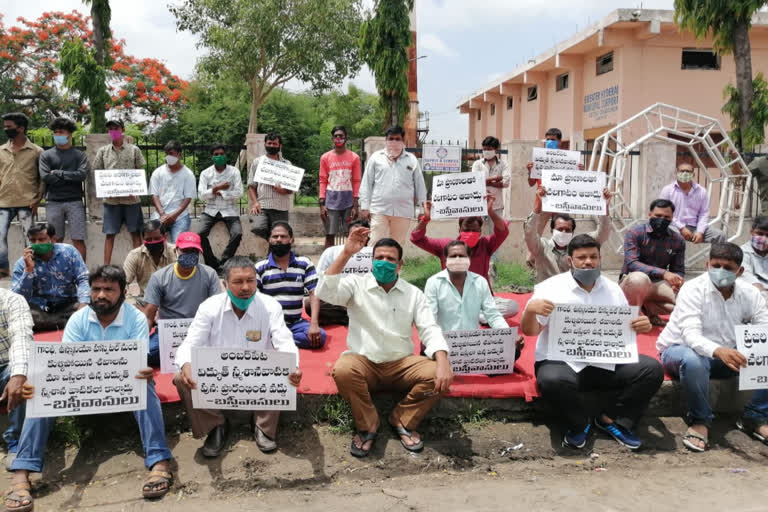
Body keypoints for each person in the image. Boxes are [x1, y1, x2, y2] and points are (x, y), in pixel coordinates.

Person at [5, 266, 174, 512]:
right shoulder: (78, 319)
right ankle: (22, 474)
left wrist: (144, 371)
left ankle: (159, 462)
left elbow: (136, 362)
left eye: (108, 289)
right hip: (81, 395)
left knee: (144, 385)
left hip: (122, 391)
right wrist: (46, 382)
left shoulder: (136, 318)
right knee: (41, 392)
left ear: (123, 292)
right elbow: (66, 367)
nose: (101, 295)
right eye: (96, 289)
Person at [316, 228, 453, 457]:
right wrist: (346, 254)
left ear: (400, 265)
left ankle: (402, 418)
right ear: (371, 262)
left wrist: (442, 360)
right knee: (343, 369)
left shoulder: (413, 294)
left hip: (401, 366)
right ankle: (368, 426)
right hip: (364, 363)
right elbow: (325, 291)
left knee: (439, 374)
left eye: (390, 259)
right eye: (379, 258)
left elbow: (429, 329)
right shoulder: (355, 285)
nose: (384, 263)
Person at [521, 234, 662, 450]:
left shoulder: (613, 289)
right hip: (562, 361)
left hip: (603, 360)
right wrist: (530, 311)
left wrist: (642, 326)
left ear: (600, 259)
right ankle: (579, 424)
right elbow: (530, 331)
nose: (588, 262)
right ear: (570, 261)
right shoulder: (550, 288)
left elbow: (623, 330)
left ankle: (613, 420)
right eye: (582, 257)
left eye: (593, 257)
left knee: (651, 370)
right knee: (551, 380)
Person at [174, 256, 302, 456]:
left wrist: (293, 365)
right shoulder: (209, 307)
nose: (245, 288)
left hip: (257, 375)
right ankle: (216, 426)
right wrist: (185, 365)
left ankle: (263, 427)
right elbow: (190, 343)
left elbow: (284, 340)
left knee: (285, 363)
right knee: (180, 377)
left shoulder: (270, 306)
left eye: (250, 281)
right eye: (238, 282)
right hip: (219, 376)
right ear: (225, 284)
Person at [657, 243, 768, 452]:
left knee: (765, 349)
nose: (721, 272)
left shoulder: (750, 294)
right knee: (694, 360)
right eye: (716, 265)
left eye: (728, 267)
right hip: (679, 350)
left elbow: (764, 328)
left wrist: (747, 350)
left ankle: (756, 416)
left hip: (725, 355)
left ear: (740, 271)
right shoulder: (693, 289)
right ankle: (700, 421)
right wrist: (719, 351)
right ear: (707, 264)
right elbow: (691, 336)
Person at [410, 195, 518, 319]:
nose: (470, 233)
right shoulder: (446, 245)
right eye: (467, 229)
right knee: (428, 307)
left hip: (481, 301)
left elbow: (502, 231)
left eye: (474, 230)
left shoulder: (485, 244)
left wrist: (490, 212)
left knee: (512, 306)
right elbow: (416, 238)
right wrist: (426, 219)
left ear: (480, 231)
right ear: (459, 229)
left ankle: (475, 316)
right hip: (452, 301)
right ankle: (476, 316)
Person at [424, 240, 524, 359]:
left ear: (469, 259)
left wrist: (509, 336)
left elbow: (492, 315)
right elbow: (430, 319)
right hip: (445, 344)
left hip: (473, 344)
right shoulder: (434, 283)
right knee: (427, 354)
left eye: (461, 256)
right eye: (453, 256)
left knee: (513, 351)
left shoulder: (480, 281)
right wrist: (436, 345)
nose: (457, 259)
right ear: (445, 260)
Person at [143, 232, 221, 367]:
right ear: (176, 250)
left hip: (200, 331)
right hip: (168, 334)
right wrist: (140, 345)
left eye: (194, 251)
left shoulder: (210, 274)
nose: (190, 254)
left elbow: (217, 311)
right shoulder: (159, 277)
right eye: (185, 250)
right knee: (145, 355)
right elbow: (149, 316)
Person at [255, 222, 326, 349]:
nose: (279, 240)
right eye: (275, 237)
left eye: (283, 236)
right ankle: (279, 340)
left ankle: (275, 342)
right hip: (270, 324)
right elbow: (254, 299)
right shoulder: (260, 267)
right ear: (269, 240)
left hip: (296, 324)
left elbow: (314, 293)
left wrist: (314, 324)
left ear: (291, 240)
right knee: (252, 336)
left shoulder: (304, 263)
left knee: (320, 336)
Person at [525, 186, 613, 283]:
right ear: (552, 230)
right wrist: (537, 208)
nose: (563, 232)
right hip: (548, 294)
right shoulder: (541, 247)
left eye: (567, 230)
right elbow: (530, 233)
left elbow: (603, 234)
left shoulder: (579, 245)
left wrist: (605, 208)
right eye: (560, 229)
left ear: (572, 232)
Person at [11, 223, 89, 331]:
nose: (36, 243)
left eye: (41, 239)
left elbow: (83, 278)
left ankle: (55, 324)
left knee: (91, 308)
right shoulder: (22, 263)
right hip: (39, 309)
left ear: (53, 240)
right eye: (33, 240)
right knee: (23, 315)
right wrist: (28, 271)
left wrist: (83, 304)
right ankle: (62, 324)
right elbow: (17, 298)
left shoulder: (69, 252)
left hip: (67, 304)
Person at [620, 199, 686, 326]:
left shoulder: (677, 240)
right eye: (658, 216)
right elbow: (632, 263)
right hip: (634, 283)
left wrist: (677, 281)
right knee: (639, 279)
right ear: (650, 215)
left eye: (666, 217)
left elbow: (678, 269)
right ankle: (636, 316)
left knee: (686, 300)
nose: (662, 219)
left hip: (658, 285)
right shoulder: (635, 233)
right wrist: (664, 273)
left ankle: (647, 308)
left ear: (672, 218)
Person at [359, 125, 426, 247]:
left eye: (397, 139)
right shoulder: (376, 157)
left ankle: (396, 267)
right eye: (391, 138)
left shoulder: (411, 160)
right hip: (379, 209)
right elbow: (366, 183)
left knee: (397, 246)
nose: (394, 142)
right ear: (386, 140)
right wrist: (364, 206)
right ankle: (372, 266)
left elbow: (420, 185)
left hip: (403, 210)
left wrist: (422, 209)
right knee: (374, 243)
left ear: (403, 140)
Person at [92, 118, 146, 264]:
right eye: (111, 129)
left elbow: (140, 171)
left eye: (116, 128)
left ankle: (139, 264)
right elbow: (97, 172)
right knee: (110, 234)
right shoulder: (102, 152)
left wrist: (135, 188)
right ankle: (106, 266)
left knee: (135, 233)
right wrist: (105, 188)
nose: (113, 132)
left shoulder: (134, 150)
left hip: (131, 200)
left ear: (122, 130)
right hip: (111, 201)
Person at [38, 117, 88, 261]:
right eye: (55, 132)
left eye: (61, 132)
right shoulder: (46, 155)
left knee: (78, 239)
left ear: (69, 134)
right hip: (53, 201)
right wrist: (70, 177)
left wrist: (59, 173)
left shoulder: (79, 155)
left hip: (75, 201)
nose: (57, 135)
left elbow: (82, 175)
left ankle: (81, 272)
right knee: (54, 239)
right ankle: (55, 270)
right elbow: (46, 176)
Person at [0, 113, 43, 278]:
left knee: (31, 239)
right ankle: (3, 270)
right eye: (5, 126)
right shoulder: (1, 151)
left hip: (27, 202)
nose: (6, 129)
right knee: (0, 236)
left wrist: (38, 199)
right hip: (3, 202)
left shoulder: (36, 151)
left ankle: (31, 269)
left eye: (9, 126)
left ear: (21, 128)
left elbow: (42, 179)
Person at [307, 219, 371, 326]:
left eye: (362, 234)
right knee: (310, 305)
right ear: (348, 235)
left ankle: (353, 317)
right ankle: (355, 317)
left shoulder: (375, 251)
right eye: (355, 234)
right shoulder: (332, 251)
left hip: (366, 300)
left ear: (368, 236)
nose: (358, 237)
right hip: (339, 299)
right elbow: (319, 280)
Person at [0, 288, 34, 471]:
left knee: (23, 377)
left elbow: (21, 338)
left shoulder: (12, 301)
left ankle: (16, 441)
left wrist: (19, 374)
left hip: (7, 365)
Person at [197, 144, 243, 270]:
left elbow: (239, 192)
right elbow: (201, 195)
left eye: (222, 154)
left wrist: (222, 193)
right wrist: (216, 188)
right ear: (212, 157)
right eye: (216, 154)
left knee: (237, 233)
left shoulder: (234, 172)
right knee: (200, 234)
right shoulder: (205, 173)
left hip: (230, 210)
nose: (219, 156)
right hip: (210, 210)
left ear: (225, 155)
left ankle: (225, 262)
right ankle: (212, 263)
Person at [659, 162, 726, 244]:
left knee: (720, 235)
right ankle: (676, 257)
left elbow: (704, 213)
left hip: (695, 227)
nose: (685, 173)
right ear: (676, 173)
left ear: (693, 174)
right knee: (673, 235)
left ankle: (716, 256)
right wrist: (681, 228)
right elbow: (663, 212)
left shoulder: (701, 191)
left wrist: (700, 232)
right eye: (682, 171)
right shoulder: (668, 190)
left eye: (688, 171)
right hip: (674, 226)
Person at [319, 125, 361, 248]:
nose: (338, 138)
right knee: (330, 235)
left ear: (346, 138)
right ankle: (328, 264)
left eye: (341, 136)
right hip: (331, 201)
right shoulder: (325, 157)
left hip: (349, 202)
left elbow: (357, 181)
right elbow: (322, 180)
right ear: (332, 138)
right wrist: (322, 204)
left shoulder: (354, 157)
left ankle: (349, 263)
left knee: (351, 234)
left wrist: (356, 204)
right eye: (336, 136)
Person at [149, 140, 196, 243]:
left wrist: (173, 215)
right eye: (166, 154)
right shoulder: (158, 173)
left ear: (179, 155)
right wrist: (162, 214)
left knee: (178, 246)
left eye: (171, 154)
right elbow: (154, 195)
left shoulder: (188, 174)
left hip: (180, 216)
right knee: (151, 241)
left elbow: (187, 198)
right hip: (159, 215)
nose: (167, 157)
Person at [248, 133, 292, 242]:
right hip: (262, 206)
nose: (272, 146)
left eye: (275, 143)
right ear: (265, 144)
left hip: (281, 207)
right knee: (258, 227)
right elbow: (251, 186)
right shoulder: (257, 162)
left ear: (280, 146)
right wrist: (255, 202)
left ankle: (272, 256)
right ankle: (271, 245)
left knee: (280, 237)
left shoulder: (287, 164)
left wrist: (282, 190)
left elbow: (291, 188)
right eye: (269, 143)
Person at [123, 220, 177, 303]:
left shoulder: (175, 252)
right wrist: (133, 304)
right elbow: (123, 283)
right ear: (143, 239)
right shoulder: (135, 255)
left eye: (157, 238)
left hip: (172, 300)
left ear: (165, 237)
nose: (153, 242)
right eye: (148, 239)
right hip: (145, 300)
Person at [471, 136, 510, 234]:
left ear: (496, 149)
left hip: (497, 207)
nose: (486, 151)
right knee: (478, 234)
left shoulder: (503, 164)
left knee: (495, 235)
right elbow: (475, 181)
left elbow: (506, 182)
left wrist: (485, 182)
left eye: (489, 149)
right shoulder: (477, 164)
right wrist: (495, 179)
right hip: (479, 205)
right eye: (484, 149)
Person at [740, 215, 768, 302]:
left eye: (767, 235)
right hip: (755, 295)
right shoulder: (742, 252)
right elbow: (747, 276)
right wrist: (763, 293)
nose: (763, 238)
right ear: (751, 232)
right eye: (760, 233)